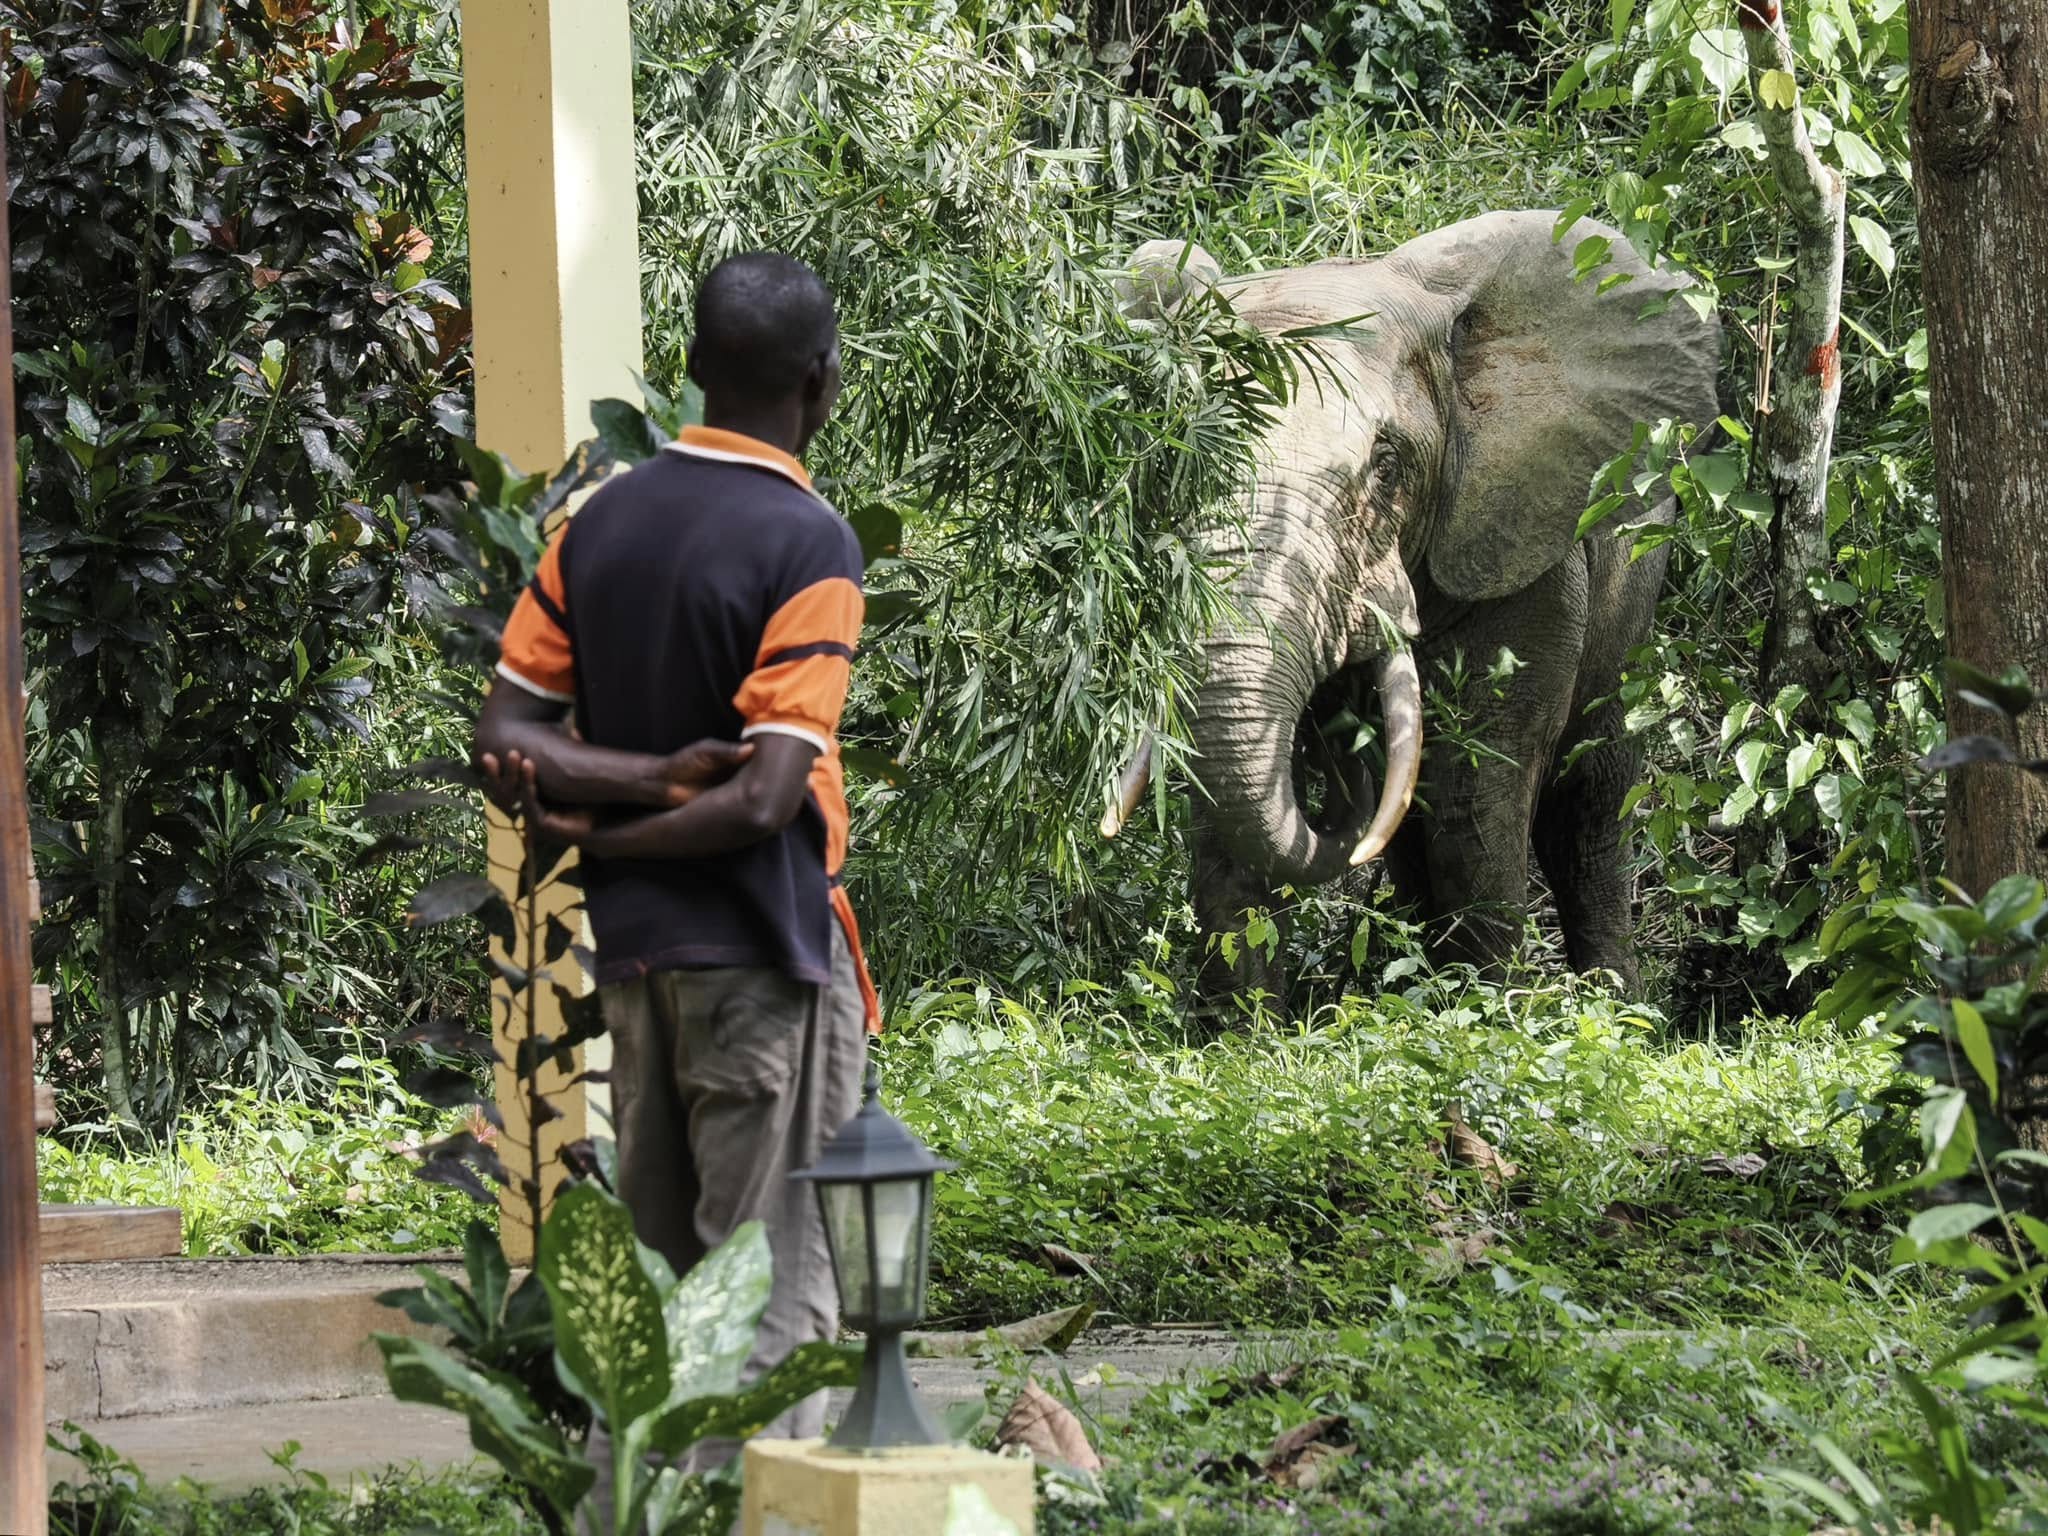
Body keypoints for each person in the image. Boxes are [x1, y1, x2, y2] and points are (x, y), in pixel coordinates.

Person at [472, 251, 877, 1464]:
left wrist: (593, 825)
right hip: (760, 962)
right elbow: (762, 798)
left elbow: (508, 735)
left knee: (650, 1315)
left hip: (639, 970)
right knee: (766, 1304)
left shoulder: (594, 529)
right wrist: (658, 786)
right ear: (823, 382)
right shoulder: (810, 544)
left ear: (692, 368)